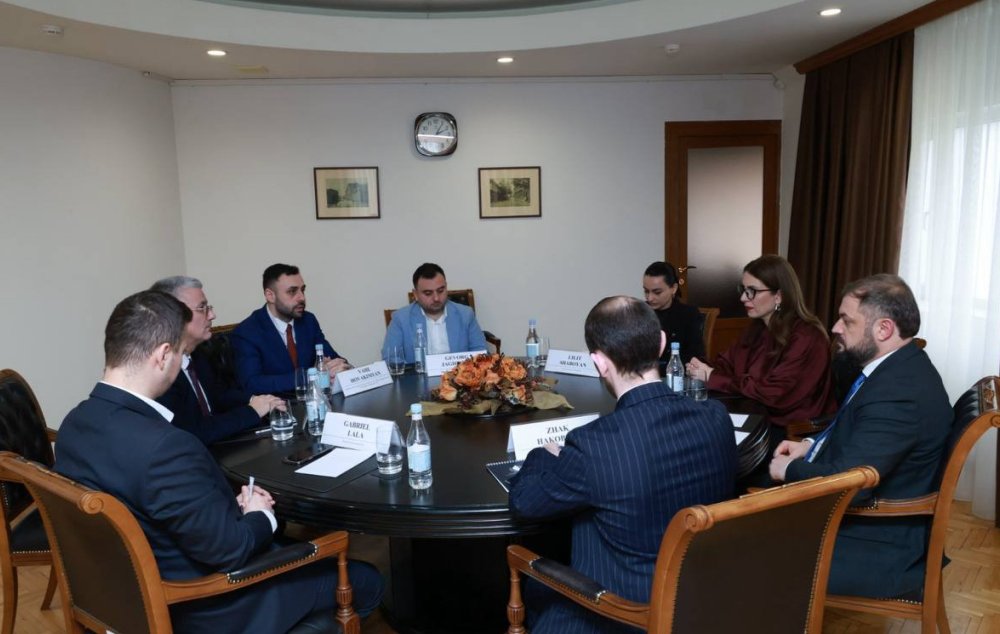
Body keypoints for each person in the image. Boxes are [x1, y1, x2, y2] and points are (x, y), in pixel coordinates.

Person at [55, 290, 383, 633]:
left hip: (119, 599)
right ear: (163, 355)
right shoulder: (166, 447)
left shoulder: (75, 424)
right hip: (206, 607)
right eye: (180, 352)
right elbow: (232, 551)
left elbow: (157, 508)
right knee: (366, 579)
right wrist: (260, 513)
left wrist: (230, 509)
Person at [509, 296, 737, 633]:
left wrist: (543, 453)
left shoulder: (593, 445)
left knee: (537, 588)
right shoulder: (716, 417)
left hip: (626, 614)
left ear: (599, 363)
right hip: (703, 599)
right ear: (662, 344)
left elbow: (523, 502)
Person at [768, 274, 951, 599]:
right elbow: (854, 424)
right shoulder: (897, 368)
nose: (835, 327)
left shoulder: (899, 393)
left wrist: (790, 471)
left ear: (884, 329)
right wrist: (810, 445)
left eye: (847, 320)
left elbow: (852, 485)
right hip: (868, 525)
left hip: (877, 546)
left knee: (739, 550)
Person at [686, 254, 835, 426]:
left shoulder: (807, 337)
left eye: (752, 291)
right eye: (743, 290)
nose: (743, 298)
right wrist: (700, 367)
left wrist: (712, 376)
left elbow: (775, 394)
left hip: (790, 429)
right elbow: (726, 364)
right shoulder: (757, 328)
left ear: (778, 296)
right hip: (752, 415)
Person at [151, 276, 284, 445]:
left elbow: (219, 396)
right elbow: (193, 433)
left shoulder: (198, 353)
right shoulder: (160, 371)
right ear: (174, 317)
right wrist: (252, 411)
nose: (213, 315)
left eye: (209, 308)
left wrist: (255, 400)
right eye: (202, 308)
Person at [232, 263, 350, 395]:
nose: (302, 298)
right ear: (270, 295)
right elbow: (253, 383)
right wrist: (311, 376)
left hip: (314, 401)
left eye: (302, 290)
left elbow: (332, 358)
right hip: (279, 405)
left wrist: (342, 369)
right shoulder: (247, 332)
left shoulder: (308, 321)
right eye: (292, 291)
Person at [381, 262, 487, 364]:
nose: (436, 298)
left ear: (446, 287)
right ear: (415, 294)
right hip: (420, 375)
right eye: (428, 293)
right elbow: (390, 358)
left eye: (440, 291)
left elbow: (480, 352)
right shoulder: (400, 319)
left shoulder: (465, 314)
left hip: (459, 374)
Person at [642, 261, 704, 365]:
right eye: (646, 291)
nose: (650, 298)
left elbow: (695, 356)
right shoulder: (641, 312)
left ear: (674, 288)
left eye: (657, 292)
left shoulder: (688, 314)